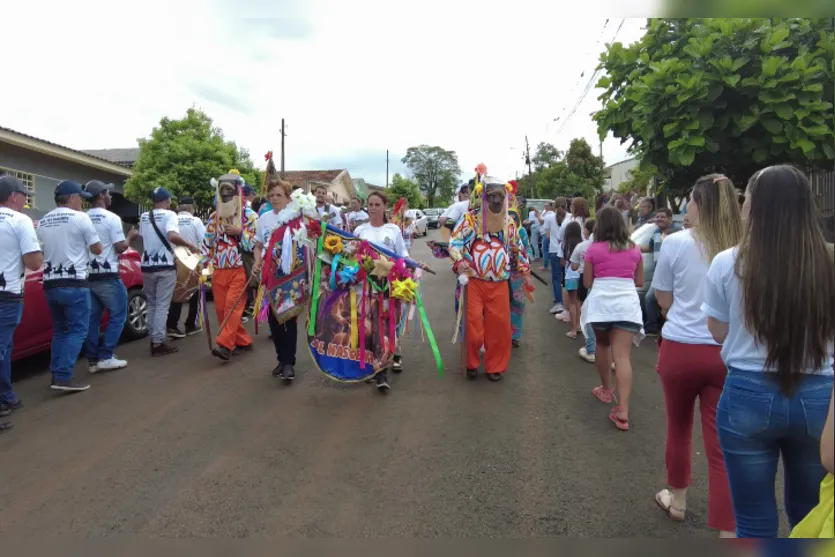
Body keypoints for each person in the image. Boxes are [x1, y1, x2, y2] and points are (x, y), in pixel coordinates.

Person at [702, 165, 835, 538]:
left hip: (747, 395)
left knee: (753, 519)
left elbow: (716, 331)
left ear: (754, 208)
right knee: (809, 514)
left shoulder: (728, 262)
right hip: (820, 399)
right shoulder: (829, 261)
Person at [651, 174, 742, 537]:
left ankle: (678, 500)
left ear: (700, 205)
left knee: (678, 427)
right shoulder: (742, 245)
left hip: (680, 349)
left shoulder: (674, 243)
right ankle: (728, 527)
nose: (685, 207)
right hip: (725, 352)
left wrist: (682, 312)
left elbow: (661, 297)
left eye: (689, 200)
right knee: (720, 442)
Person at [449, 176, 532, 382]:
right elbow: (454, 243)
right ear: (484, 197)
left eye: (499, 196)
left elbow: (518, 249)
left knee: (500, 328)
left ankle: (495, 366)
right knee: (473, 327)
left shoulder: (508, 223)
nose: (496, 201)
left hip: (500, 284)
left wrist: (524, 270)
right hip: (474, 282)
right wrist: (459, 262)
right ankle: (471, 363)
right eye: (492, 196)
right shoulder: (470, 220)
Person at [580, 206, 644, 431]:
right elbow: (639, 282)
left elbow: (587, 282)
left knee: (603, 345)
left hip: (601, 306)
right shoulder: (635, 249)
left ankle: (606, 390)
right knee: (623, 357)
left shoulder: (593, 249)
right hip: (627, 305)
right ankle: (623, 412)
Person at [36, 181, 102, 392]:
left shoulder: (44, 220)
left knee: (60, 330)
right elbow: (98, 248)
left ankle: (57, 373)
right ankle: (63, 376)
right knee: (77, 330)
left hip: (50, 282)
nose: (82, 202)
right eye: (80, 198)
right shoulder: (80, 218)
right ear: (71, 198)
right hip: (74, 283)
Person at [252, 179, 312, 381]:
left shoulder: (297, 219)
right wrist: (257, 261)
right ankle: (281, 358)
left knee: (288, 320)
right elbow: (258, 245)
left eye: (279, 195)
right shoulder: (264, 219)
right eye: (271, 195)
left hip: (291, 278)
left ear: (288, 198)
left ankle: (289, 362)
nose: (275, 199)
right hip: (269, 277)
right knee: (274, 321)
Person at [354, 191, 409, 391]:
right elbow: (353, 255)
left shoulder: (393, 229)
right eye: (370, 204)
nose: (374, 208)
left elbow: (402, 254)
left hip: (387, 286)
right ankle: (371, 364)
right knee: (368, 327)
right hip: (365, 288)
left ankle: (381, 371)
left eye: (378, 204)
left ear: (384, 207)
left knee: (384, 327)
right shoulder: (360, 230)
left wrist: (407, 268)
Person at [0, 175, 43, 431]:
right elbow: (35, 263)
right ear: (13, 196)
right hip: (6, 295)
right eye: (24, 196)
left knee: (4, 349)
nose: (26, 201)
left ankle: (5, 396)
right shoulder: (19, 220)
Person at [201, 175, 258, 361]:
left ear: (238, 192)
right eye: (222, 191)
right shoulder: (213, 216)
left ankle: (225, 345)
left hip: (240, 268)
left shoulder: (249, 216)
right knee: (220, 310)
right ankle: (243, 340)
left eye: (229, 191)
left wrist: (241, 233)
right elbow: (207, 243)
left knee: (232, 308)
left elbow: (257, 244)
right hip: (218, 269)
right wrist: (201, 264)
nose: (226, 195)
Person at [135, 187, 196, 357]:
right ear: (166, 200)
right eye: (169, 200)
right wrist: (189, 245)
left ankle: (153, 337)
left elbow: (142, 236)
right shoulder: (170, 215)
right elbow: (172, 236)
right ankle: (158, 342)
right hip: (165, 266)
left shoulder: (145, 216)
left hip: (147, 265)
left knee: (153, 303)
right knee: (162, 305)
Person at [84, 181, 137, 373]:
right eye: (108, 192)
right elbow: (120, 247)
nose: (111, 196)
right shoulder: (112, 218)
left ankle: (92, 360)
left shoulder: (82, 218)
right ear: (101, 195)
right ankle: (106, 356)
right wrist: (130, 236)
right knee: (119, 314)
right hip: (107, 275)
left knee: (92, 319)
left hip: (88, 275)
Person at [166, 196, 205, 337]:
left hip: (174, 260)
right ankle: (190, 325)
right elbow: (204, 241)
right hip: (192, 261)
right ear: (191, 208)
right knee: (194, 293)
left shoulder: (172, 220)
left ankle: (172, 325)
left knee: (177, 293)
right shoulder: (196, 221)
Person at [641, 208, 677, 336]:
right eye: (657, 217)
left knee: (671, 301)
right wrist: (631, 246)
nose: (659, 219)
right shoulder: (656, 232)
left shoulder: (676, 232)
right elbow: (649, 247)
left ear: (670, 218)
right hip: (658, 272)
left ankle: (669, 328)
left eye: (662, 217)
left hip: (674, 272)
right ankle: (652, 327)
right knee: (650, 298)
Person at [554, 197, 590, 322]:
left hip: (571, 257)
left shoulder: (569, 221)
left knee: (567, 286)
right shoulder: (589, 221)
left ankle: (568, 312)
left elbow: (560, 237)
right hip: (587, 256)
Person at [570, 218, 596, 363]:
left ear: (586, 230)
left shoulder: (583, 246)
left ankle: (591, 347)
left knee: (587, 313)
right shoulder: (618, 246)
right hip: (606, 282)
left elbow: (573, 266)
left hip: (585, 280)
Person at [508, 206, 534, 347]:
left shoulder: (521, 231)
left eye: (514, 217)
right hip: (501, 273)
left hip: (517, 274)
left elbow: (528, 247)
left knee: (517, 303)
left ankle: (514, 335)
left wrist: (525, 259)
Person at [561, 221, 584, 338]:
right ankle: (580, 325)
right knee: (578, 302)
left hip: (570, 276)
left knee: (572, 304)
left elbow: (562, 261)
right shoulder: (582, 244)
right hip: (580, 275)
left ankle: (573, 330)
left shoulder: (565, 245)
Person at [537, 202, 553, 272]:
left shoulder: (549, 213)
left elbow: (541, 221)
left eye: (547, 205)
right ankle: (548, 264)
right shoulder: (545, 212)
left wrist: (538, 216)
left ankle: (545, 266)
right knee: (547, 250)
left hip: (546, 234)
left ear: (550, 206)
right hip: (545, 233)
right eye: (544, 205)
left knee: (545, 250)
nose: (545, 207)